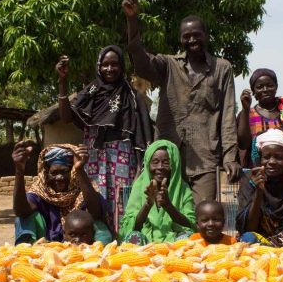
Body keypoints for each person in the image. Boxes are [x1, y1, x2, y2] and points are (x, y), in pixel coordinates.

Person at [122, 0, 241, 203]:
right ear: (180, 39)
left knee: (202, 214)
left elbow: (228, 116)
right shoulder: (168, 65)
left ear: (206, 36)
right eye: (187, 36)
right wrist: (132, 21)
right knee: (165, 213)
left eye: (197, 35)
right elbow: (141, 64)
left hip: (205, 157)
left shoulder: (222, 68)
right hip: (166, 159)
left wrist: (230, 157)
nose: (192, 40)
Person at [56, 47, 153, 223]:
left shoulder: (132, 96)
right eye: (105, 64)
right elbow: (66, 117)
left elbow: (142, 137)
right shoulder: (90, 92)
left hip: (123, 160)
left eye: (114, 64)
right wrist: (63, 81)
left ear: (122, 67)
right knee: (93, 202)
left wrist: (140, 169)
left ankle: (123, 244)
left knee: (124, 206)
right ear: (99, 67)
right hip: (92, 159)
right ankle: (97, 244)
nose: (109, 69)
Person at [12, 141, 113, 244]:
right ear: (46, 174)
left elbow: (96, 212)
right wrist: (19, 170)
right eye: (54, 173)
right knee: (22, 219)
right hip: (46, 244)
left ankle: (100, 257)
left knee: (100, 226)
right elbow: (20, 211)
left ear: (72, 172)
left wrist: (79, 169)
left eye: (64, 172)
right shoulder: (40, 190)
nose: (59, 178)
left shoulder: (82, 186)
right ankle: (25, 254)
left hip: (82, 244)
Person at [119, 140, 195, 244]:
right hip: (145, 243)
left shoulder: (183, 188)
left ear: (174, 164)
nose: (160, 167)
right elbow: (131, 227)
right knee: (133, 237)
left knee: (189, 238)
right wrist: (147, 204)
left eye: (166, 162)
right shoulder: (139, 186)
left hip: (173, 242)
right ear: (148, 164)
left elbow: (190, 225)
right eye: (155, 162)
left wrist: (168, 206)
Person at [237, 68, 283, 168]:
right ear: (253, 91)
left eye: (270, 85)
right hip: (257, 173)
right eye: (260, 87)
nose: (265, 90)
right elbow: (243, 144)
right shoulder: (247, 114)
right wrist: (245, 109)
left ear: (276, 87)